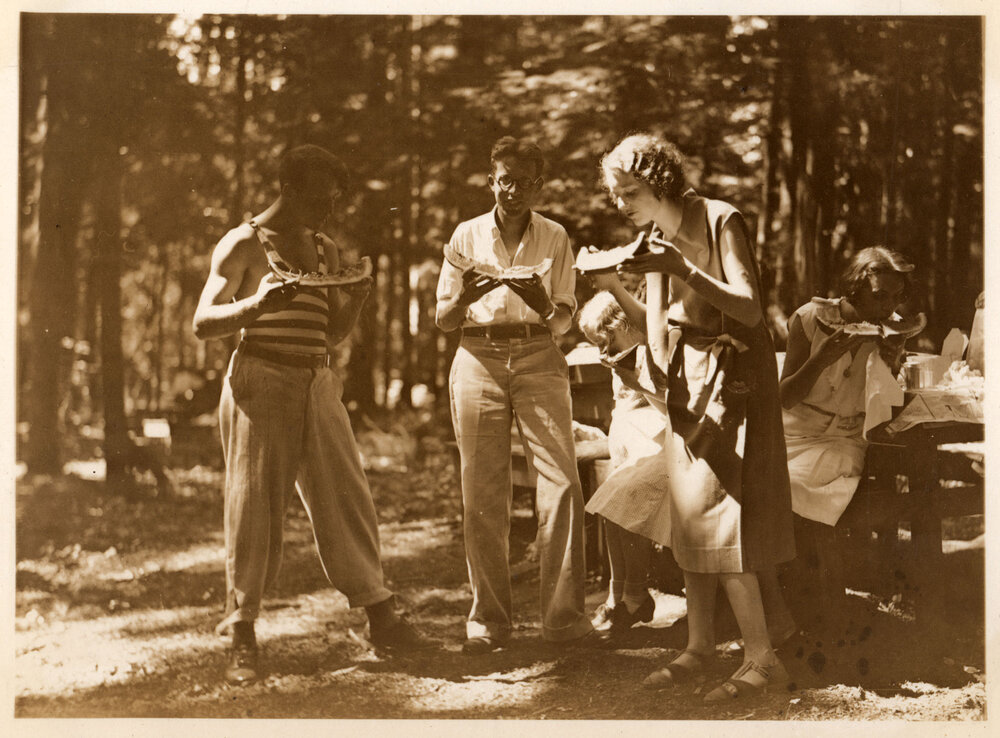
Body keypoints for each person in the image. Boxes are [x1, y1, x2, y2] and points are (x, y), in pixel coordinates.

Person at [192, 144, 428, 686]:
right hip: (260, 378)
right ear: (289, 189)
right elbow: (204, 322)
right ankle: (242, 632)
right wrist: (255, 306)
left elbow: (330, 331)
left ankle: (381, 616)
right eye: (321, 199)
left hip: (316, 380)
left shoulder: (324, 247)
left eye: (334, 201)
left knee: (347, 495)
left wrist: (358, 296)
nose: (329, 211)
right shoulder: (244, 243)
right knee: (253, 508)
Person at [596, 133, 796, 701]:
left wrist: (681, 266)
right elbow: (660, 323)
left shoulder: (719, 219)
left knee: (722, 517)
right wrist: (612, 285)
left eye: (628, 191)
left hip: (732, 384)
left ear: (658, 181)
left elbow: (751, 310)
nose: (620, 203)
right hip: (686, 389)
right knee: (690, 517)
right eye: (614, 194)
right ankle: (701, 647)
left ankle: (762, 659)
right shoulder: (654, 237)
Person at [435, 136, 596, 654]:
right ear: (492, 179)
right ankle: (489, 621)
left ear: (538, 185)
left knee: (563, 485)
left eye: (525, 182)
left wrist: (543, 300)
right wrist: (465, 295)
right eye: (505, 179)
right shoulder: (466, 235)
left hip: (538, 355)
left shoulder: (554, 236)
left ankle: (564, 620)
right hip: (477, 356)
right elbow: (443, 319)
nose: (513, 191)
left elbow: (565, 322)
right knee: (483, 493)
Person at [778, 247, 913, 620]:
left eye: (897, 296)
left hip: (845, 438)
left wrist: (893, 358)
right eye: (880, 295)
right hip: (795, 431)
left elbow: (886, 405)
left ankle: (821, 607)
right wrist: (822, 357)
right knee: (755, 482)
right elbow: (785, 397)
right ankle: (785, 603)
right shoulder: (808, 318)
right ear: (854, 288)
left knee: (793, 487)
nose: (889, 306)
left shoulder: (891, 326)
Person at [577, 290, 665, 637]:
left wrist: (635, 382)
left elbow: (666, 406)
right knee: (612, 498)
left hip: (661, 443)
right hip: (633, 446)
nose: (603, 352)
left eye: (605, 341)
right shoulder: (624, 354)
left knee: (623, 493)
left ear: (621, 325)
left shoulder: (653, 347)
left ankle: (632, 595)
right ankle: (623, 595)